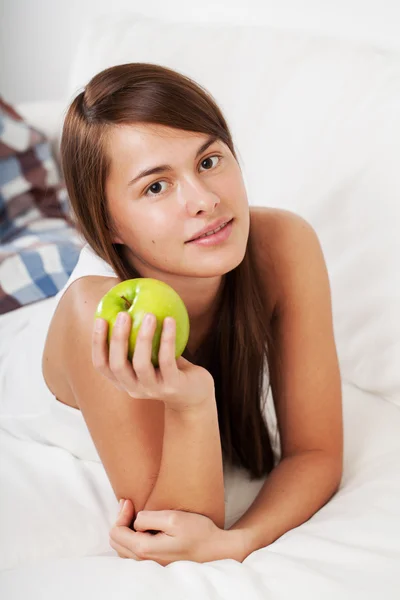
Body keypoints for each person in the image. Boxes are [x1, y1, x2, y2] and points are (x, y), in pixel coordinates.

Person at [42, 63, 343, 565]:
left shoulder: (285, 244)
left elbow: (317, 454)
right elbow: (172, 535)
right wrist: (192, 404)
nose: (205, 200)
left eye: (208, 161)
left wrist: (243, 540)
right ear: (109, 223)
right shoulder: (99, 313)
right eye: (155, 187)